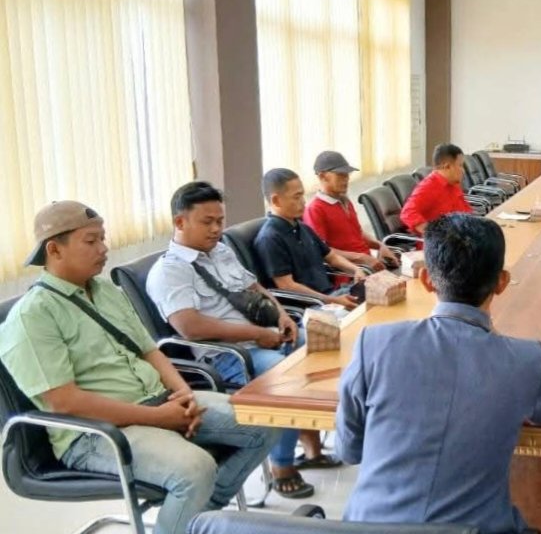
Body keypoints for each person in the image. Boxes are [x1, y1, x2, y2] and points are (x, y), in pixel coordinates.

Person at [0, 201, 274, 534]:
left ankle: (199, 516)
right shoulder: (32, 316)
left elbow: (149, 349)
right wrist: (160, 417)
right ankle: (194, 515)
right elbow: (65, 403)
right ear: (54, 250)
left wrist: (183, 393)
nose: (104, 248)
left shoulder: (105, 291)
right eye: (91, 241)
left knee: (267, 419)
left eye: (103, 238)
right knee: (195, 469)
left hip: (159, 402)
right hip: (95, 434)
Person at [336, 213, 541, 533]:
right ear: (502, 282)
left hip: (368, 527)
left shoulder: (374, 343)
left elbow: (348, 450)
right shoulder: (526, 359)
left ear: (426, 280)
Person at [146, 182, 331, 500]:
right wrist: (258, 335)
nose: (216, 229)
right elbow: (190, 327)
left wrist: (281, 316)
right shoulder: (169, 271)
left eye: (220, 220)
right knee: (286, 376)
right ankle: (282, 466)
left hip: (263, 334)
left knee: (325, 346)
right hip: (226, 355)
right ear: (180, 222)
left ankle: (310, 440)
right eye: (207, 222)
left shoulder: (221, 251)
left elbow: (255, 288)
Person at [256, 168, 365, 307]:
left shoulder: (302, 227)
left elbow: (332, 257)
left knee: (377, 293)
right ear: (276, 200)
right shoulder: (270, 238)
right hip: (311, 306)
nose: (303, 202)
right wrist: (331, 300)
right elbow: (287, 285)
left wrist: (355, 269)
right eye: (296, 197)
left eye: (302, 195)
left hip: (330, 296)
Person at [303, 150, 399, 271]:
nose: (346, 179)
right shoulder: (315, 209)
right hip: (350, 273)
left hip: (369, 266)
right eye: (340, 175)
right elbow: (322, 251)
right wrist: (362, 258)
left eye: (347, 175)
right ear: (322, 176)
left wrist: (380, 246)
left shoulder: (345, 201)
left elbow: (357, 232)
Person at [400, 143, 473, 235]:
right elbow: (407, 213)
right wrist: (435, 234)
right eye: (460, 165)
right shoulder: (428, 186)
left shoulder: (453, 183)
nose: (463, 170)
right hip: (445, 241)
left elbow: (465, 211)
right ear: (447, 166)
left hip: (462, 232)